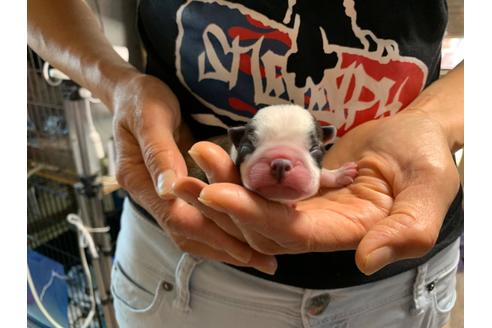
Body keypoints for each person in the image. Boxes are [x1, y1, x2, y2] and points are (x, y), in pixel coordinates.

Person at [28, 0, 463, 327]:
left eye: (305, 154)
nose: (279, 165)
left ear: (322, 143)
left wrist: (435, 121)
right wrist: (113, 81)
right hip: (183, 270)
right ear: (237, 142)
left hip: (400, 289)